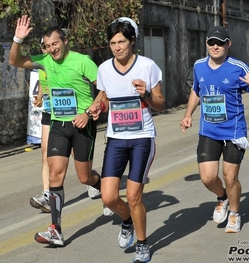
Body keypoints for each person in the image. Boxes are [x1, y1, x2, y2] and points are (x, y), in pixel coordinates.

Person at [9, 15, 101, 246]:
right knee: (54, 174)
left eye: (55, 44)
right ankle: (55, 229)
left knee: (84, 177)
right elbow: (15, 61)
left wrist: (89, 112)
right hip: (59, 124)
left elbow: (105, 88)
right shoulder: (44, 61)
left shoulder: (83, 61)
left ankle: (103, 188)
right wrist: (17, 39)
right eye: (48, 46)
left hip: (82, 124)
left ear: (65, 41)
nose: (52, 49)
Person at [88, 17, 165, 263]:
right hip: (116, 138)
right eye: (112, 43)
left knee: (133, 196)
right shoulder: (104, 69)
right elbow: (104, 97)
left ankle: (142, 244)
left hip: (142, 137)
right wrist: (97, 107)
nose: (117, 47)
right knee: (108, 197)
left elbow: (161, 104)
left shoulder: (147, 66)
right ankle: (127, 221)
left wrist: (147, 94)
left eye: (121, 41)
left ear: (132, 41)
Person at [180, 26, 249, 233]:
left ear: (228, 44)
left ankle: (235, 214)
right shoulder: (199, 66)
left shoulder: (238, 67)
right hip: (209, 130)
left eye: (220, 42)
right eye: (211, 42)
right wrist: (188, 114)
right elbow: (196, 91)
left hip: (233, 131)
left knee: (230, 178)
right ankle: (222, 198)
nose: (215, 46)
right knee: (208, 177)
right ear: (207, 44)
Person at [29, 44, 51, 213]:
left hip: (66, 113)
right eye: (43, 46)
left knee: (78, 160)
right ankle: (47, 196)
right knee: (45, 153)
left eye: (50, 45)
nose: (46, 49)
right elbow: (44, 82)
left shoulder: (64, 63)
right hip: (49, 111)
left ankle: (93, 181)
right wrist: (40, 97)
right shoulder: (43, 64)